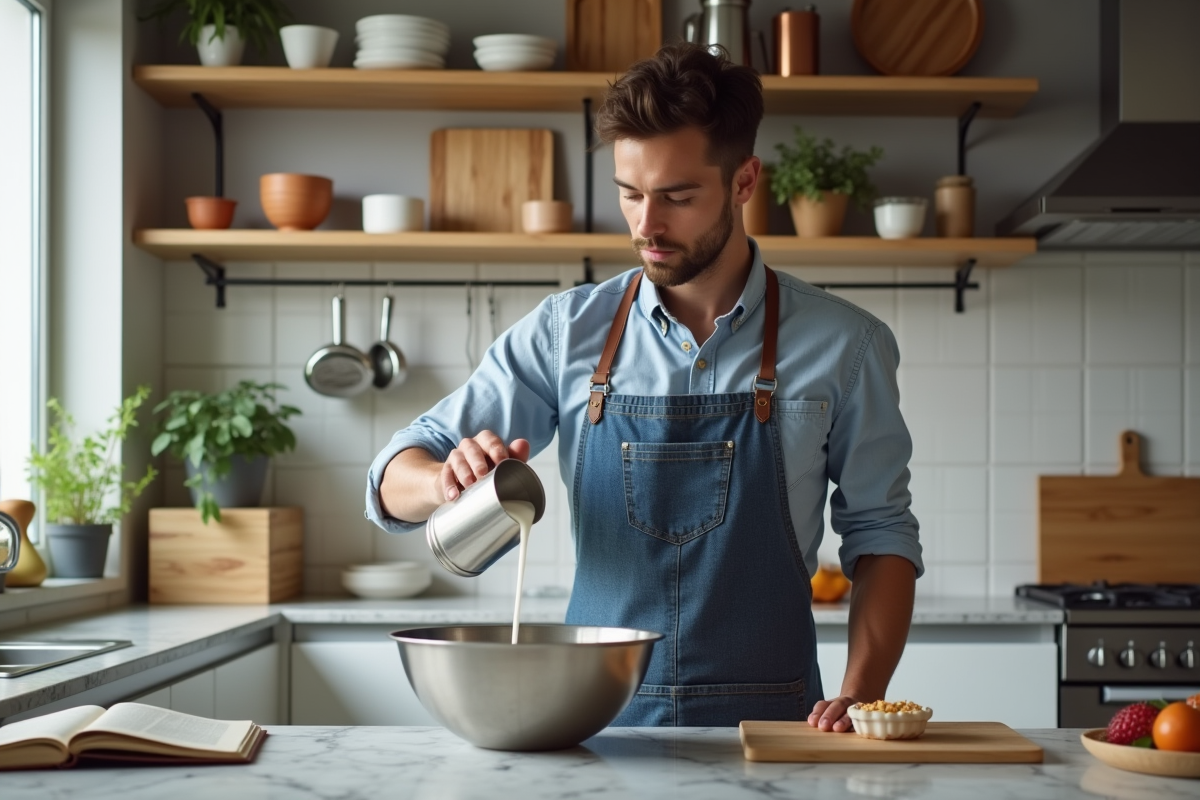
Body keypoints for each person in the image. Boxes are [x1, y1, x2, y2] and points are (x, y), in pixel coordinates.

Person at [366, 42, 922, 731]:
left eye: (677, 197)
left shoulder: (846, 344)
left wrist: (861, 695)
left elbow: (881, 534)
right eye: (629, 194)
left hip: (778, 728)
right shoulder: (566, 332)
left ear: (745, 181)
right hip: (593, 726)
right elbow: (395, 471)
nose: (646, 226)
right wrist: (444, 478)